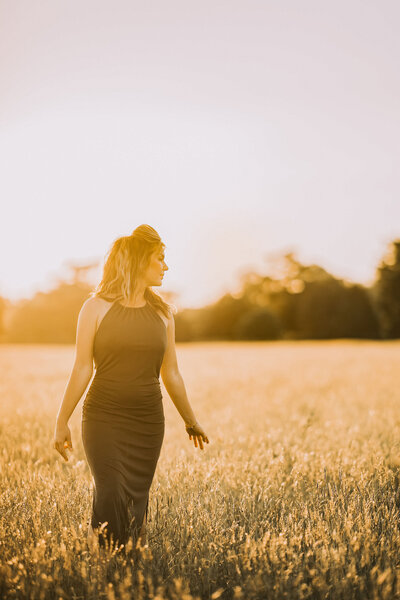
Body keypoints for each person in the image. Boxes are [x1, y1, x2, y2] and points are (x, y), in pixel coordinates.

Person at [53, 224, 209, 556]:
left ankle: (128, 566)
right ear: (140, 261)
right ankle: (109, 557)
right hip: (102, 417)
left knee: (136, 499)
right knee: (110, 491)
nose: (165, 267)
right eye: (160, 259)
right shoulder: (94, 308)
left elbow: (172, 373)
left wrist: (190, 420)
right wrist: (62, 419)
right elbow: (82, 367)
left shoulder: (164, 313)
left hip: (147, 421)